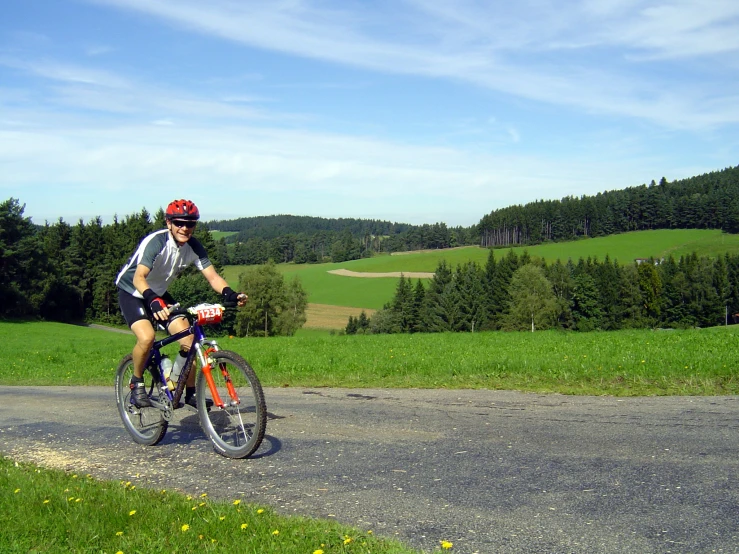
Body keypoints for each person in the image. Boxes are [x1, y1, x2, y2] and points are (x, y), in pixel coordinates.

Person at [115, 199, 247, 408]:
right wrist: (153, 300)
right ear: (169, 223)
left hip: (158, 293)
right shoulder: (156, 242)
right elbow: (139, 278)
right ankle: (136, 383)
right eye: (179, 223)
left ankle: (190, 393)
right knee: (147, 337)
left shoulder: (193, 246)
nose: (185, 228)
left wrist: (230, 293)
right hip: (133, 292)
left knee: (190, 340)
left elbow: (213, 277)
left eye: (190, 223)